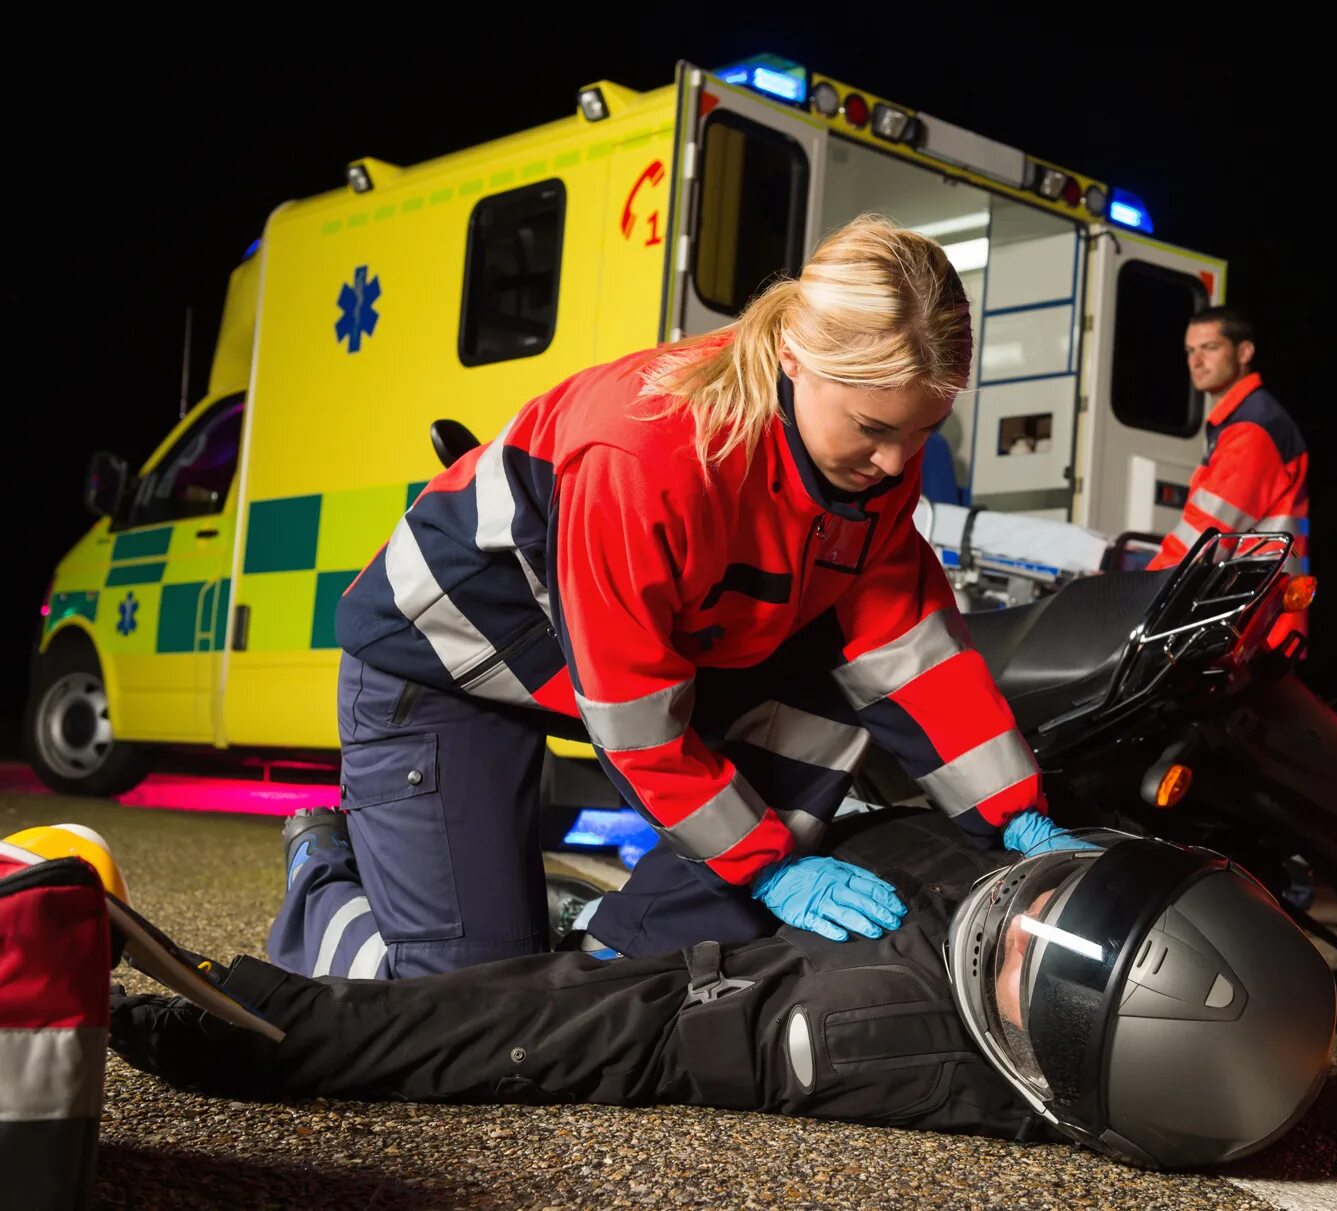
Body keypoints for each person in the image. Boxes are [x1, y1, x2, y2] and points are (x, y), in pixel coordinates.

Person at [272, 216, 1083, 981]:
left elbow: (906, 645)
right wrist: (769, 867)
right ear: (794, 357)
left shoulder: (870, 477)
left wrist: (1015, 815)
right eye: (872, 427)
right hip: (443, 663)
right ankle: (323, 870)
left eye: (923, 432)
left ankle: (612, 947)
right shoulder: (648, 448)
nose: (895, 462)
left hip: (597, 666)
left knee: (822, 700)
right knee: (465, 1000)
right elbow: (633, 713)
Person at [111, 810, 1337, 1170]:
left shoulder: (864, 1028)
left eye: (1037, 954)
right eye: (1071, 891)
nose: (1023, 907)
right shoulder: (1034, 939)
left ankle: (319, 862)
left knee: (406, 971)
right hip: (750, 854)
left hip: (707, 917)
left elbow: (558, 1031)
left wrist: (255, 1030)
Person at [1148, 307, 1310, 648]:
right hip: (1255, 613)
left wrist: (1143, 591)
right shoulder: (1244, 419)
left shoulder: (1252, 428)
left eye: (1209, 348)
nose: (1196, 361)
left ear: (1244, 352)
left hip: (1255, 621)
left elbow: (1206, 536)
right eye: (1190, 351)